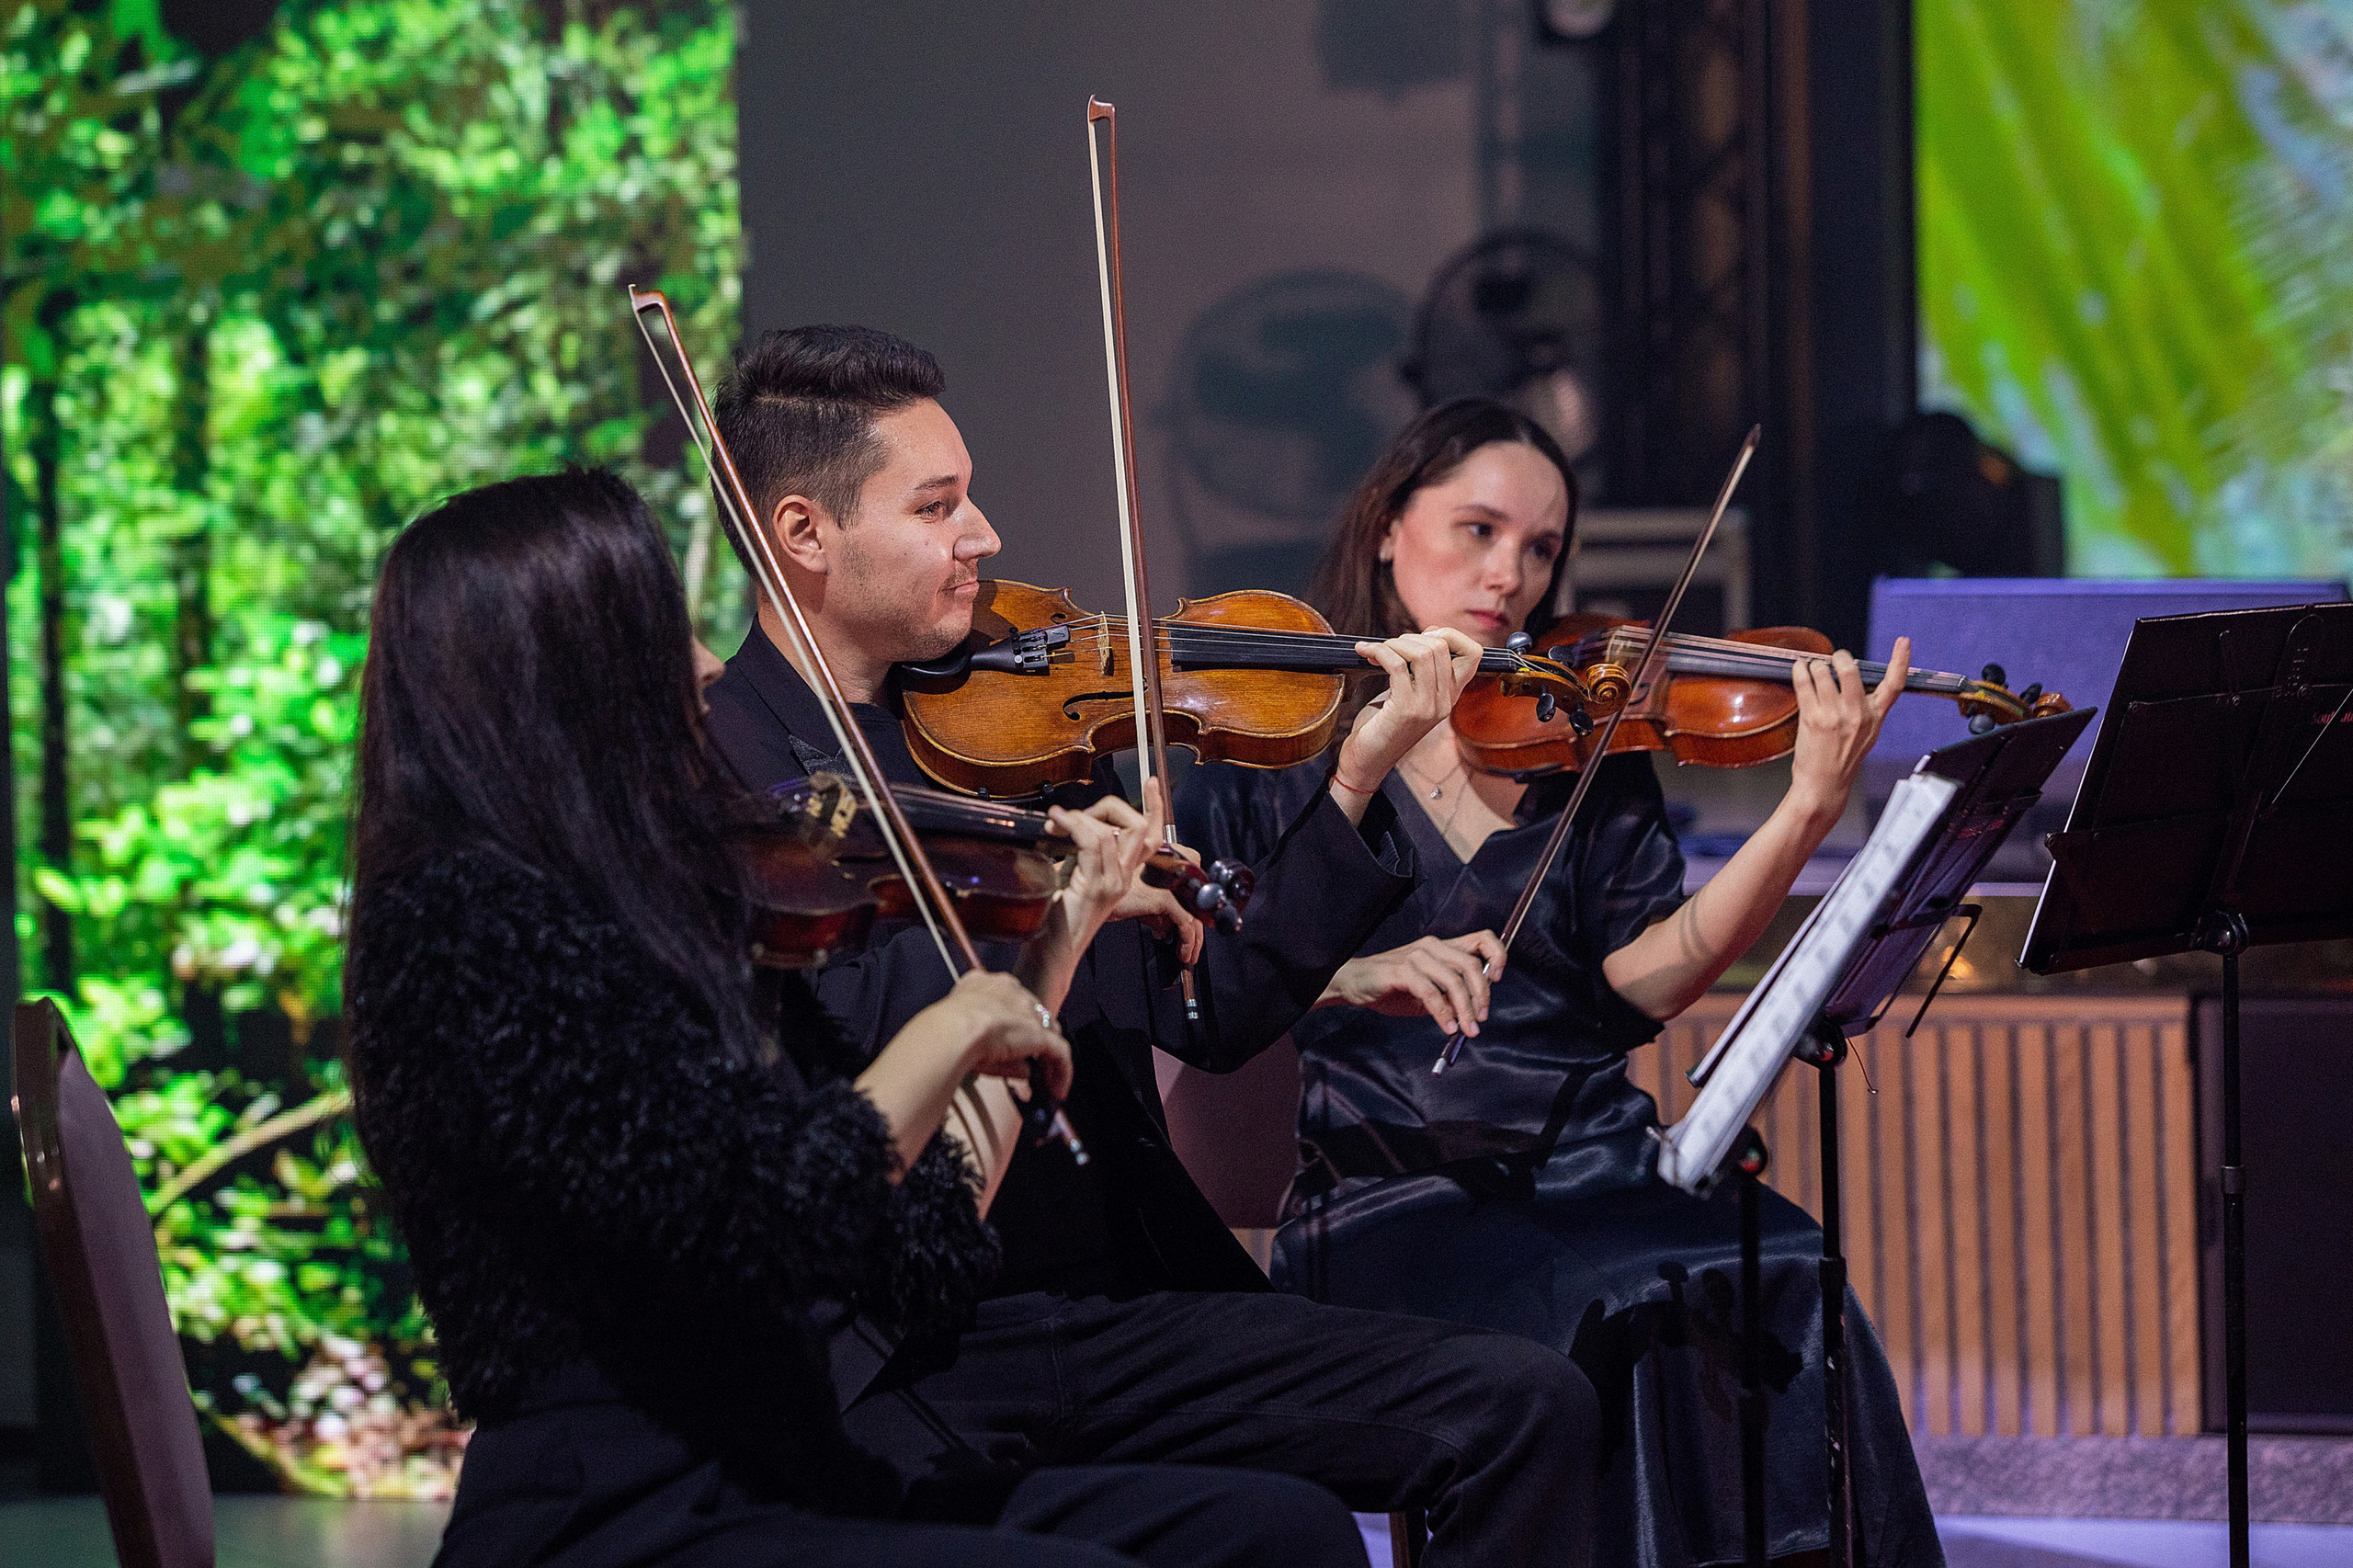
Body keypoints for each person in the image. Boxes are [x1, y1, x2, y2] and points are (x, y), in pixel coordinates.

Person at [344, 468, 1376, 1568]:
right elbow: (773, 1223)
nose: (702, 667)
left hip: (780, 1470)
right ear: (561, 679)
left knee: (1280, 1532)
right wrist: (949, 1024)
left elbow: (915, 1241)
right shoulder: (465, 921)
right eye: (657, 634)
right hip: (618, 1508)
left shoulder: (668, 914)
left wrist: (1046, 955)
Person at [701, 325, 1603, 1568]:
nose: (987, 535)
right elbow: (856, 1070)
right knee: (1288, 1536)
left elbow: (1217, 1011)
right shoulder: (724, 775)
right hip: (914, 1342)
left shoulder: (1021, 728)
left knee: (1523, 1403)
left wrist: (1354, 774)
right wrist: (1054, 926)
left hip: (1112, 1300)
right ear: (802, 535)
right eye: (939, 505)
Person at [1178, 398, 1947, 1568]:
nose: (1510, 577)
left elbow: (1644, 982)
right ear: (1389, 526)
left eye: (1539, 548)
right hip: (1394, 1195)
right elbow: (1205, 969)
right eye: (1478, 530)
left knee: (1792, 1279)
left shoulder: (1578, 729)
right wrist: (1350, 970)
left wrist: (1804, 811)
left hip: (1595, 1160)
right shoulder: (1273, 740)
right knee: (1611, 1312)